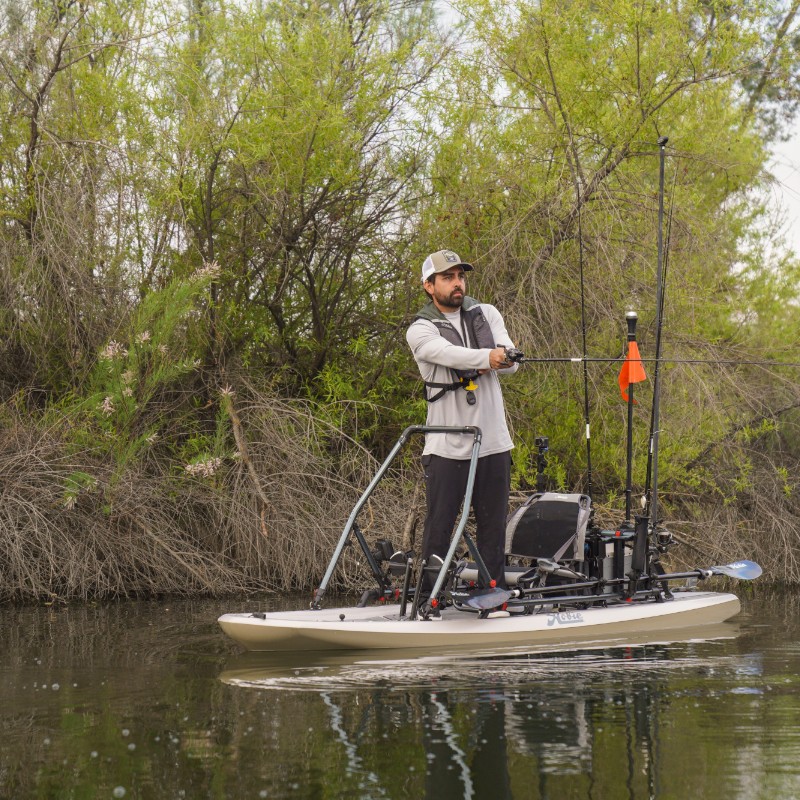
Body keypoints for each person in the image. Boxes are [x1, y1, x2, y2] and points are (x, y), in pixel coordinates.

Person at [406, 249, 519, 612]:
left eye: (461, 276)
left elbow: (510, 364)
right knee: (438, 528)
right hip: (446, 446)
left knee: (493, 529)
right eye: (448, 277)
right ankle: (428, 601)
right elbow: (449, 354)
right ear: (428, 286)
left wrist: (501, 358)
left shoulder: (487, 313)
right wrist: (488, 357)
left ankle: (494, 598)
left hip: (493, 442)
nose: (458, 283)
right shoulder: (419, 329)